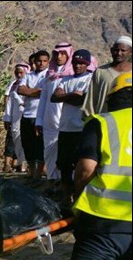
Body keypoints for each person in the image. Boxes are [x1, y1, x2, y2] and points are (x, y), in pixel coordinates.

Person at [39, 72, 132, 260]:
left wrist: (79, 198)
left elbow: (85, 170)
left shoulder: (104, 123)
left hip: (102, 227)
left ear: (114, 98)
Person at [51, 49, 93, 206]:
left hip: (82, 129)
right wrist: (73, 95)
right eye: (75, 62)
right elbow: (54, 97)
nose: (77, 66)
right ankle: (66, 198)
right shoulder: (65, 79)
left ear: (87, 64)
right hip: (65, 128)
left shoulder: (90, 79)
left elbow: (83, 100)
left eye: (81, 63)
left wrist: (66, 97)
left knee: (80, 166)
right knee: (64, 164)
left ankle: (79, 198)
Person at [35, 42, 74, 184]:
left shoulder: (71, 76)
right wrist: (39, 120)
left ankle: (65, 182)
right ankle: (52, 180)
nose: (59, 56)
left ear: (68, 55)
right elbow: (43, 100)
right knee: (49, 151)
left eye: (63, 53)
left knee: (65, 153)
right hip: (49, 120)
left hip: (67, 121)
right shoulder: (49, 76)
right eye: (57, 53)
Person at [17, 50, 50, 181]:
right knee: (27, 143)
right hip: (27, 115)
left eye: (44, 61)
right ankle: (32, 172)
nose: (41, 63)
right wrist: (35, 92)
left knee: (40, 145)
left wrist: (29, 92)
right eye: (39, 61)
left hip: (40, 115)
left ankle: (39, 174)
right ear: (34, 62)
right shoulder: (29, 76)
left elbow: (44, 92)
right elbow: (20, 89)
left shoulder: (48, 76)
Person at [82, 35, 132, 118]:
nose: (119, 53)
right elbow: (91, 100)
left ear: (131, 52)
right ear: (111, 51)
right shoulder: (100, 72)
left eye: (123, 50)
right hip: (104, 121)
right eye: (116, 50)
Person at [2, 62, 30, 173]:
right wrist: (7, 118)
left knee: (23, 140)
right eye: (17, 73)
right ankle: (7, 165)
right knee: (11, 140)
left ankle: (21, 164)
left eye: (21, 73)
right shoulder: (12, 84)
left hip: (25, 116)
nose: (18, 75)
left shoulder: (29, 84)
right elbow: (8, 102)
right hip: (14, 117)